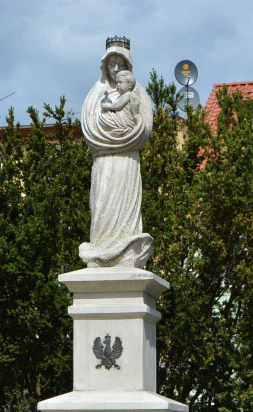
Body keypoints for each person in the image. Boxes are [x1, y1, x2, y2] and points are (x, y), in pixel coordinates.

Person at [80, 36, 153, 269]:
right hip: (103, 162)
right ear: (104, 65)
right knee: (102, 203)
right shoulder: (95, 94)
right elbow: (90, 129)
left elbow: (144, 127)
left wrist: (125, 133)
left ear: (128, 66)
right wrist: (114, 133)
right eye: (112, 64)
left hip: (127, 161)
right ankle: (101, 252)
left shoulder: (137, 92)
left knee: (125, 206)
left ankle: (125, 251)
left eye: (120, 64)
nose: (116, 69)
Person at [99, 70, 141, 134]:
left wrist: (108, 106)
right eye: (116, 83)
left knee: (104, 117)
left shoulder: (129, 94)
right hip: (119, 117)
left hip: (125, 121)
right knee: (103, 116)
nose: (117, 85)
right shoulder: (120, 96)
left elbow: (118, 106)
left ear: (129, 85)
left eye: (120, 82)